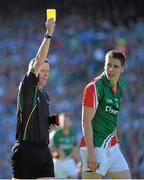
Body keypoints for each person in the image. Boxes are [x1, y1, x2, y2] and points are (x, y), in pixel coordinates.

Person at [11, 19, 58, 179]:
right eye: (42, 70)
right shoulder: (27, 86)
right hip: (25, 150)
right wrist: (49, 33)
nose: (45, 73)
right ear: (34, 70)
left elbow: (44, 123)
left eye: (48, 71)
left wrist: (55, 121)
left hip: (44, 151)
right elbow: (38, 61)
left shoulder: (45, 95)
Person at [80, 50, 131, 179]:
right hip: (95, 147)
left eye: (115, 66)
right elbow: (86, 121)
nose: (111, 69)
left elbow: (112, 116)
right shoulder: (94, 87)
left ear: (122, 69)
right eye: (108, 65)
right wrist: (91, 153)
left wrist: (116, 140)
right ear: (104, 65)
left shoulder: (119, 89)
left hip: (112, 147)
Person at [50, 112, 80, 179]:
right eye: (63, 121)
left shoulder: (73, 132)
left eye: (67, 121)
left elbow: (75, 148)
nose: (65, 123)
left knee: (74, 177)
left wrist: (79, 161)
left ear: (71, 122)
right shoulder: (55, 133)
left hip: (69, 160)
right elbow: (51, 148)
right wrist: (56, 153)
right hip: (58, 161)